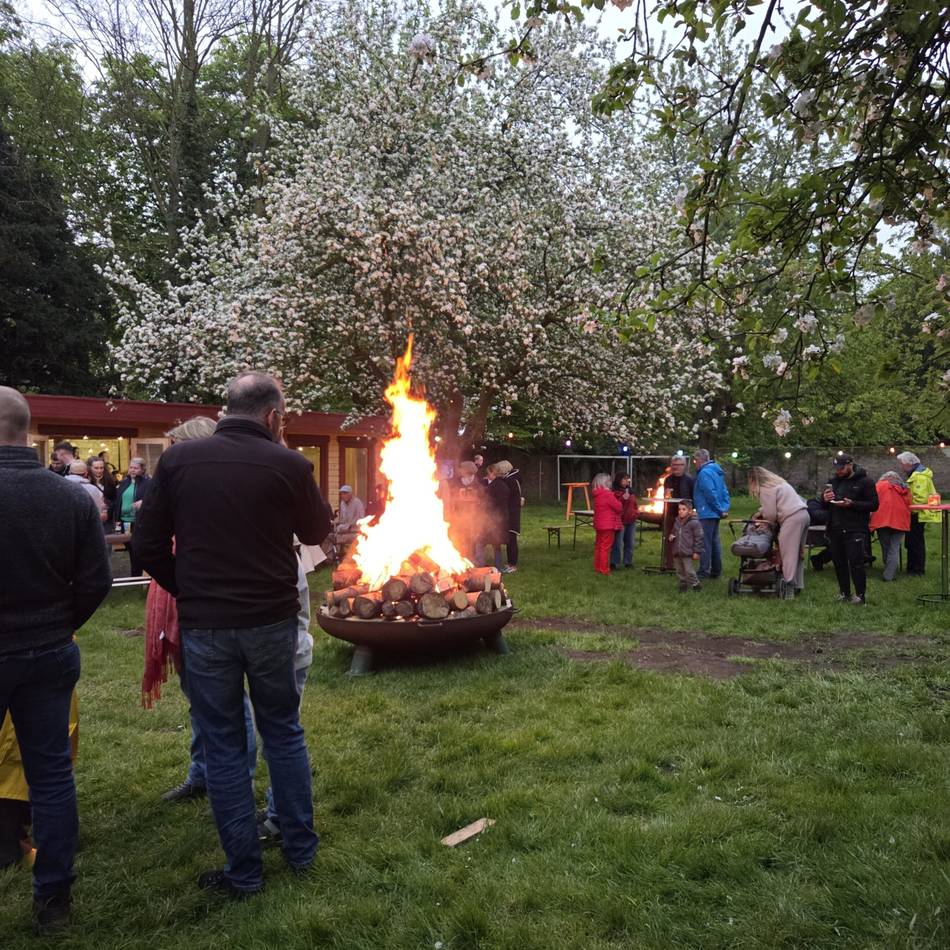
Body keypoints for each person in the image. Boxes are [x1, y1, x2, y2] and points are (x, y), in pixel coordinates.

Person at [133, 371, 331, 897]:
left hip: (207, 627)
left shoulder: (175, 462)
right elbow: (318, 533)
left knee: (222, 745)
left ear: (227, 410)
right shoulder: (289, 464)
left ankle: (243, 873)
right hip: (270, 622)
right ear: (273, 417)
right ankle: (301, 850)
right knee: (283, 731)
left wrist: (189, 590)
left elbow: (147, 544)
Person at [0, 386, 111, 934]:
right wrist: (60, 623)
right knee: (51, 778)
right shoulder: (70, 496)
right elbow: (97, 580)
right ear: (27, 430)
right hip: (49, 650)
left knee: (47, 776)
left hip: (37, 645)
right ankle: (53, 902)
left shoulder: (70, 495)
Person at [822, 453, 879, 604]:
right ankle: (844, 592)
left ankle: (860, 595)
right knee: (839, 562)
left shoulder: (865, 482)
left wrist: (852, 504)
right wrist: (825, 499)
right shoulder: (833, 482)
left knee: (856, 563)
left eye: (841, 468)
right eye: (836, 468)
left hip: (855, 528)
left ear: (850, 465)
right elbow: (823, 505)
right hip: (835, 527)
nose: (838, 471)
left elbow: (874, 504)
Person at [748, 466, 810, 594]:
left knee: (788, 554)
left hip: (791, 518)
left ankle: (789, 587)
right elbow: (778, 503)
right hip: (804, 515)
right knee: (798, 554)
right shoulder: (779, 483)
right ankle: (798, 585)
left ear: (754, 480)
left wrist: (764, 523)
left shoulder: (765, 488)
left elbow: (770, 514)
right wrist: (761, 512)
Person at [896, 451, 939, 575]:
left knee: (915, 542)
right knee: (912, 541)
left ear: (909, 464)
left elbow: (919, 498)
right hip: (916, 512)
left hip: (917, 513)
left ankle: (917, 569)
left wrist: (905, 503)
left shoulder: (919, 476)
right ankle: (912, 568)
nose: (901, 467)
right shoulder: (917, 475)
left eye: (902, 464)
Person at [692, 448, 730, 579]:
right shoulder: (716, 471)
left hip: (707, 511)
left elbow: (710, 493)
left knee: (705, 542)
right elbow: (724, 491)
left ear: (700, 460)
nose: (694, 463)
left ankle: (704, 571)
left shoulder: (704, 473)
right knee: (714, 541)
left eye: (695, 460)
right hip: (714, 512)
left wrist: (719, 509)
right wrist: (724, 508)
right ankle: (716, 570)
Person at [869, 471, 911, 582]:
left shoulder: (879, 485)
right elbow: (909, 502)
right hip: (900, 520)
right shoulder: (904, 488)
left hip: (882, 519)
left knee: (886, 547)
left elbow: (871, 502)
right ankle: (890, 573)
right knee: (894, 548)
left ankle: (888, 573)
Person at [113, 458, 151, 576]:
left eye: (136, 468)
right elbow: (117, 500)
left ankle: (137, 576)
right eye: (131, 467)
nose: (133, 470)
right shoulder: (124, 483)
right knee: (131, 550)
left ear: (142, 469)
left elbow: (155, 499)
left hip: (139, 522)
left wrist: (143, 502)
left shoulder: (148, 483)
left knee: (137, 550)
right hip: (124, 522)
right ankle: (136, 576)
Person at [669, 500, 704, 592]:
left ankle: (695, 584)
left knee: (689, 571)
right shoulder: (677, 521)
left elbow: (699, 538)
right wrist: (671, 536)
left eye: (683, 509)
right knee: (679, 570)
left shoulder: (694, 523)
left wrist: (697, 552)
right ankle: (683, 585)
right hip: (677, 550)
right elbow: (673, 532)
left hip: (687, 552)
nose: (681, 511)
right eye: (679, 509)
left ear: (690, 511)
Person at [493, 459, 522, 573]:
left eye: (498, 470)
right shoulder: (511, 479)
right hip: (510, 511)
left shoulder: (511, 480)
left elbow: (510, 497)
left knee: (512, 539)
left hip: (512, 512)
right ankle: (510, 563)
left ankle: (513, 564)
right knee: (510, 538)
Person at [592, 473, 622, 575]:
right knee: (606, 548)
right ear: (605, 483)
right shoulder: (608, 495)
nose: (611, 483)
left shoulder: (597, 495)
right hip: (608, 525)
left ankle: (597, 567)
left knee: (599, 546)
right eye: (609, 481)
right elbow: (618, 507)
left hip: (599, 524)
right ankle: (604, 569)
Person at [482, 464, 511, 570]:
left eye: (488, 473)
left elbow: (487, 501)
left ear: (493, 473)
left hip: (493, 518)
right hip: (501, 517)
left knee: (480, 541)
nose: (487, 475)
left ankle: (479, 565)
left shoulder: (493, 486)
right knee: (496, 543)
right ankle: (499, 566)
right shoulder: (503, 484)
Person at [610, 473, 638, 569]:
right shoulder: (614, 492)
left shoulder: (631, 491)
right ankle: (614, 562)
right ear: (619, 480)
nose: (627, 481)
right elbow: (615, 506)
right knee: (618, 543)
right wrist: (622, 499)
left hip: (631, 520)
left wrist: (635, 513)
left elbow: (635, 504)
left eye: (628, 479)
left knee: (630, 542)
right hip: (620, 521)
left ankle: (628, 562)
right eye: (624, 479)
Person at [334, 484, 365, 554]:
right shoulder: (342, 504)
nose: (343, 495)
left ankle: (337, 555)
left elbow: (361, 519)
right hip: (344, 530)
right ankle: (330, 558)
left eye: (345, 493)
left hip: (354, 530)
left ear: (350, 494)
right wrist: (335, 523)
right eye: (342, 494)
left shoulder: (357, 503)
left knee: (336, 535)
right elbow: (342, 520)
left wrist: (349, 525)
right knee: (330, 535)